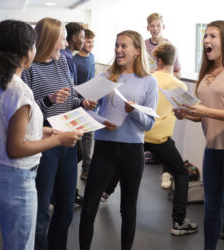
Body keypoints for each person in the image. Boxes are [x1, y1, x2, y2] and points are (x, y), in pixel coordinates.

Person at [0, 20, 82, 250]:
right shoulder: (19, 90)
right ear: (27, 51)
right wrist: (57, 139)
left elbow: (7, 126)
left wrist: (46, 130)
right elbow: (15, 148)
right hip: (16, 177)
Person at [174, 20, 224, 250]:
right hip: (213, 148)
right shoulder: (208, 70)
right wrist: (188, 114)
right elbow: (205, 115)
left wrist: (204, 110)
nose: (206, 40)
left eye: (213, 36)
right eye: (206, 36)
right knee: (210, 208)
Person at [21, 17, 96, 250]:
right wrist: (49, 99)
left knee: (65, 210)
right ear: (51, 39)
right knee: (42, 211)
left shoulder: (62, 63)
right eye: (63, 39)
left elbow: (70, 96)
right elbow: (28, 112)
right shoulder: (28, 70)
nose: (66, 44)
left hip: (68, 143)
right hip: (44, 144)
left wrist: (82, 102)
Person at [79, 30, 158, 250]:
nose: (118, 50)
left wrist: (133, 111)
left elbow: (149, 124)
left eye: (124, 46)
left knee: (128, 209)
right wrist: (102, 120)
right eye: (116, 45)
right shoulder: (105, 77)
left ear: (137, 52)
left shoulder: (149, 82)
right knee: (89, 206)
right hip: (104, 147)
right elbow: (88, 111)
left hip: (132, 151)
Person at [144, 42, 198, 235]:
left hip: (142, 134)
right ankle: (179, 221)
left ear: (158, 60)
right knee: (181, 173)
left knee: (123, 162)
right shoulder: (180, 85)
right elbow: (187, 110)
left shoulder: (148, 78)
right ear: (173, 61)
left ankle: (106, 193)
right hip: (160, 138)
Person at [145, 12, 183, 189]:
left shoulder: (170, 47)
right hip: (147, 91)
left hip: (164, 93)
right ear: (148, 28)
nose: (155, 29)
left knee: (166, 136)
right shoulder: (143, 45)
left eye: (158, 25)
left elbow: (177, 72)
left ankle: (166, 174)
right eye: (152, 26)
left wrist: (163, 79)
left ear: (163, 26)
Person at [60, 22, 86, 207]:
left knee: (76, 153)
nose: (84, 42)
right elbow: (69, 88)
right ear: (74, 38)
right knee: (75, 153)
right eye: (83, 38)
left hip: (72, 107)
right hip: (67, 113)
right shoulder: (65, 57)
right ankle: (63, 193)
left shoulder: (69, 56)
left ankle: (67, 193)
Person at [73, 28, 96, 181]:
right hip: (78, 105)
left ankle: (86, 170)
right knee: (78, 141)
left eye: (93, 42)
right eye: (88, 41)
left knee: (89, 138)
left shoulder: (92, 57)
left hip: (91, 104)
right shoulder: (74, 60)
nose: (91, 44)